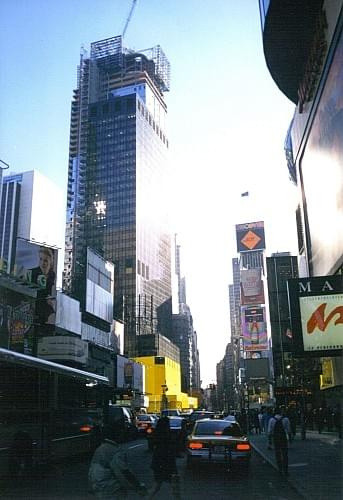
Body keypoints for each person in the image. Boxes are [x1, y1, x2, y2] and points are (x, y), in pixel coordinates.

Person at [88, 424, 147, 499]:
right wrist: (138, 487)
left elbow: (91, 470)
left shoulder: (100, 448)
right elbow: (123, 472)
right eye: (121, 432)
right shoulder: (114, 451)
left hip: (98, 486)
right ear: (116, 435)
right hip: (111, 488)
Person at [149, 416, 180, 499]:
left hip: (158, 463)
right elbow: (170, 451)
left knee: (157, 484)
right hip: (167, 463)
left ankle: (147, 497)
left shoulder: (157, 434)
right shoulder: (167, 435)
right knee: (174, 485)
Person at [268, 407, 291, 476]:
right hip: (283, 437)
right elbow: (288, 430)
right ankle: (285, 470)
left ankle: (280, 469)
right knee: (285, 454)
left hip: (276, 438)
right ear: (281, 412)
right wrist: (290, 438)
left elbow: (270, 431)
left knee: (277, 453)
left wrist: (270, 441)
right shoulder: (285, 419)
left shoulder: (272, 420)